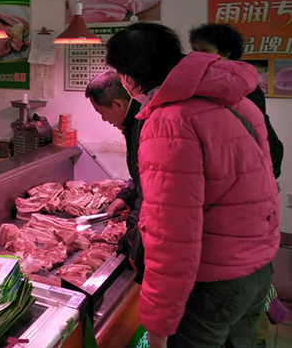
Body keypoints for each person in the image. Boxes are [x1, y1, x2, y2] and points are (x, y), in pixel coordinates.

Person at [106, 22, 279, 348]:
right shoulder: (235, 101)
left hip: (213, 283)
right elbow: (266, 181)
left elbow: (171, 234)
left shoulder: (169, 122)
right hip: (256, 268)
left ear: (129, 77)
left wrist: (158, 326)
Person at [189, 23, 284, 178]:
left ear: (226, 52)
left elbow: (259, 132)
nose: (198, 56)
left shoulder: (241, 86)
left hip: (245, 168)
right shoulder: (200, 83)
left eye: (205, 50)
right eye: (195, 50)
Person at [85, 71, 145, 282]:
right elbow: (141, 176)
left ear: (118, 105)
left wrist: (131, 233)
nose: (103, 119)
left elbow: (152, 192)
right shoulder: (134, 123)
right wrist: (126, 196)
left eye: (102, 112)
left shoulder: (144, 125)